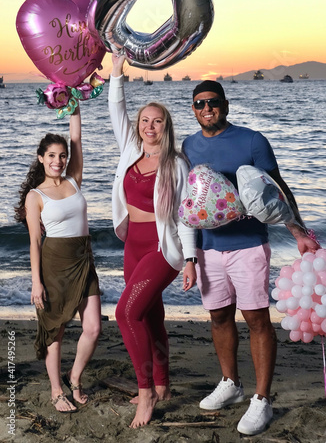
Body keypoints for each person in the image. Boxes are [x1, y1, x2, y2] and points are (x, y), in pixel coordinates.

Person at [182, 80, 320, 436]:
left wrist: (299, 232)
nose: (207, 108)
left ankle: (262, 399)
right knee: (218, 316)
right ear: (193, 109)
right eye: (199, 103)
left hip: (248, 246)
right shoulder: (188, 146)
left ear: (225, 105)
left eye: (212, 102)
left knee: (257, 319)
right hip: (208, 247)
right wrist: (188, 256)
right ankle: (231, 383)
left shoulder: (252, 140)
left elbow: (278, 190)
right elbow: (192, 200)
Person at [108, 52, 197, 428]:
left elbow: (186, 214)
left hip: (162, 249)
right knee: (150, 314)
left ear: (166, 127)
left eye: (156, 121)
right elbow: (116, 108)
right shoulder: (130, 150)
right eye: (144, 120)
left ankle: (145, 393)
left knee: (126, 313)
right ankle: (161, 384)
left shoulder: (176, 164)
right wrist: (116, 72)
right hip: (133, 245)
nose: (149, 126)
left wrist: (190, 259)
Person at [15, 104, 102, 413]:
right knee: (56, 330)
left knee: (93, 328)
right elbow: (35, 243)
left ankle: (74, 377)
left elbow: (76, 137)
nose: (58, 160)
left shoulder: (74, 179)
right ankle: (55, 390)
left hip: (83, 260)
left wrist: (74, 103)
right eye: (51, 155)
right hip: (53, 265)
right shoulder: (35, 196)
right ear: (41, 158)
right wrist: (36, 283)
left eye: (62, 155)